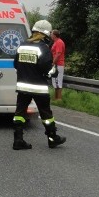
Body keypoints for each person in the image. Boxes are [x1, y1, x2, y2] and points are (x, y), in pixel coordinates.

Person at [12, 20, 66, 150]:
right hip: (38, 88)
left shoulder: (22, 46)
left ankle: (18, 140)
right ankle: (52, 138)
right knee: (46, 114)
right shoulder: (43, 48)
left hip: (22, 86)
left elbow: (15, 64)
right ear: (46, 34)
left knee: (19, 113)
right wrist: (54, 72)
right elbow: (47, 69)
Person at [50, 29, 65, 100]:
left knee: (58, 81)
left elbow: (58, 54)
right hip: (56, 64)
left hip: (58, 64)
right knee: (54, 80)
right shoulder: (56, 42)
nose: (50, 35)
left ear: (54, 35)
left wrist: (53, 62)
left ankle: (58, 98)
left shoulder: (59, 42)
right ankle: (56, 98)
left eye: (51, 34)